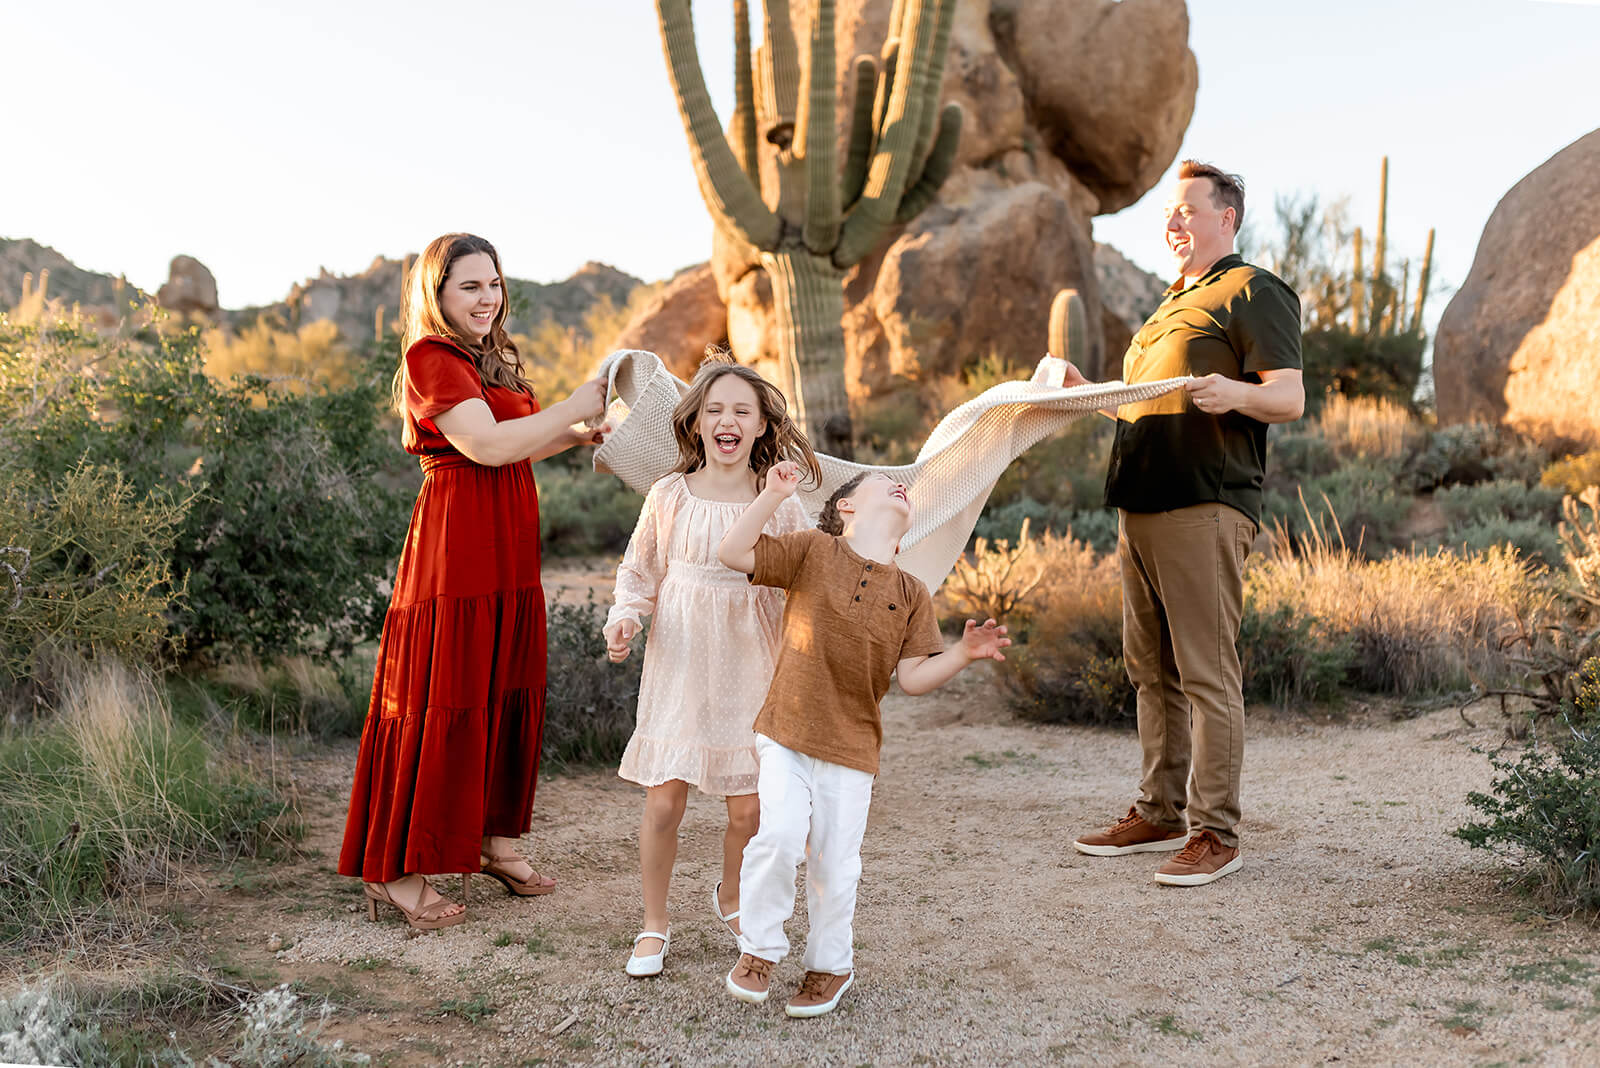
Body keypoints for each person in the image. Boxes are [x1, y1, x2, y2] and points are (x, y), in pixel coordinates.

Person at [337, 233, 609, 930]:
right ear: (438, 293)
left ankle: (497, 844)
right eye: (470, 287)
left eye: (493, 284)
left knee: (504, 683)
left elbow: (519, 441)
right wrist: (576, 402)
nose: (487, 298)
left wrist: (574, 434)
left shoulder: (492, 358)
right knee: (447, 693)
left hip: (508, 548)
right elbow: (485, 446)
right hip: (456, 549)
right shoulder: (432, 357)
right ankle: (394, 871)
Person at [1064, 160, 1304, 887]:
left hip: (1204, 505)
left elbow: (1287, 397)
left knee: (1206, 674)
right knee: (1150, 672)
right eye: (1169, 213)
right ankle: (1160, 810)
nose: (1174, 222)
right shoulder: (1170, 304)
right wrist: (1089, 396)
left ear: (1225, 218)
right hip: (1138, 506)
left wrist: (1235, 392)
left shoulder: (1251, 290)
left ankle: (1216, 833)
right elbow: (1145, 404)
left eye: (1188, 210)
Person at [716, 465, 1011, 1017]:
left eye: (905, 488)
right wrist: (776, 495)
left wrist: (962, 655)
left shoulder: (913, 592)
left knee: (835, 863)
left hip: (852, 752)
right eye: (882, 481)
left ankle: (831, 965)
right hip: (785, 730)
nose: (900, 485)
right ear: (846, 508)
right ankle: (758, 949)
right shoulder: (813, 550)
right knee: (777, 835)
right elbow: (734, 552)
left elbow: (914, 678)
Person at [602, 354, 822, 978]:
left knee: (748, 809)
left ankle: (731, 896)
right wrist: (626, 616)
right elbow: (640, 569)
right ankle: (653, 924)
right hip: (680, 657)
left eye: (742, 412)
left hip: (752, 657)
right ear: (696, 422)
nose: (728, 420)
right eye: (715, 409)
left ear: (759, 427)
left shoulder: (775, 497)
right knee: (664, 801)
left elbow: (804, 573)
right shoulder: (669, 493)